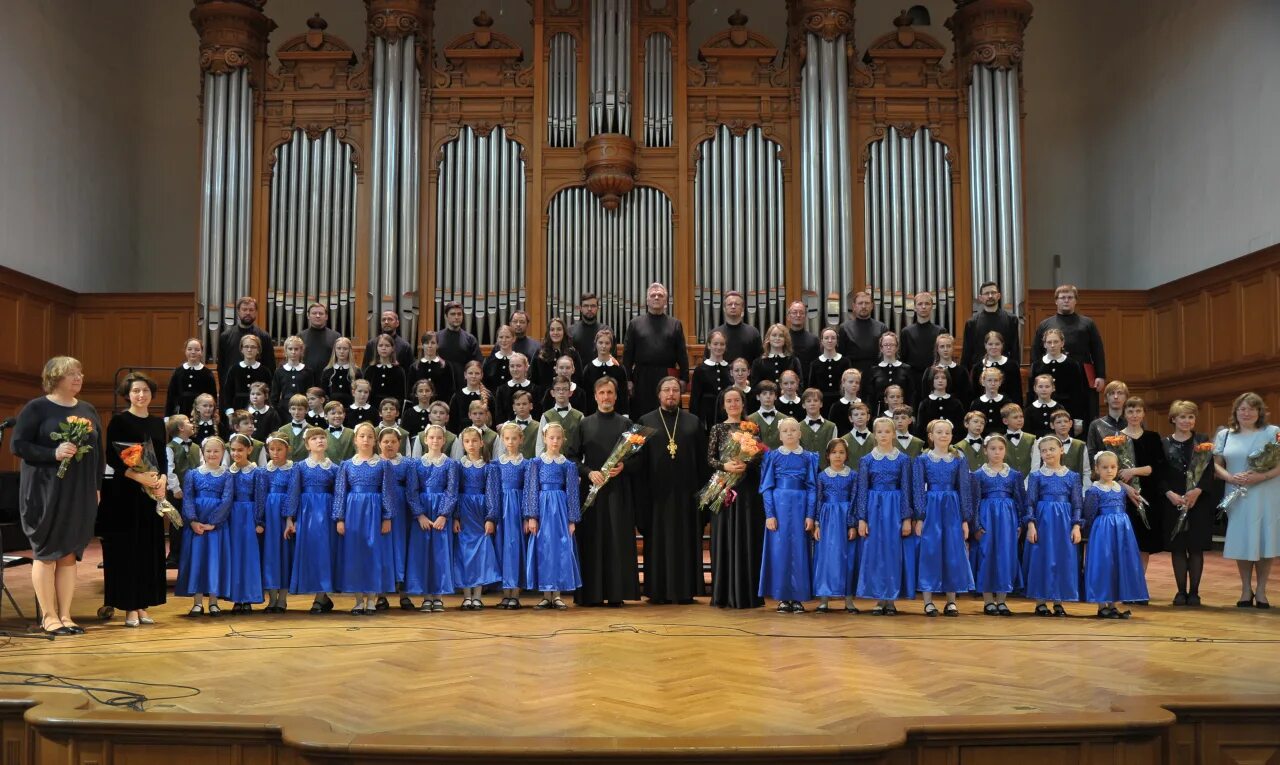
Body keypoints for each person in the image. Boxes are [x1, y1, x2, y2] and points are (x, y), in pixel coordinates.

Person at [11, 357, 104, 636]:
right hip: (44, 490)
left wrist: (96, 487)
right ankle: (49, 616)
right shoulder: (36, 408)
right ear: (55, 378)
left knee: (68, 555)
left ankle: (66, 615)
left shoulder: (88, 409)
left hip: (79, 491)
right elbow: (19, 445)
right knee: (47, 553)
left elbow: (98, 454)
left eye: (80, 373)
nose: (79, 377)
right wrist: (52, 453)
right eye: (72, 374)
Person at [97, 371, 170, 629]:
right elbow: (113, 458)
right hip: (124, 494)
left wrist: (161, 480)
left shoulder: (157, 423)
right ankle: (129, 606)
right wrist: (140, 478)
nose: (141, 395)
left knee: (146, 549)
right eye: (136, 391)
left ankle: (142, 604)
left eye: (145, 391)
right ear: (128, 394)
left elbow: (162, 457)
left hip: (149, 494)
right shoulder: (118, 422)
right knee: (127, 549)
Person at [635, 377, 708, 605]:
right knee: (657, 544)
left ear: (681, 394)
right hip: (656, 496)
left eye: (675, 390)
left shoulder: (693, 422)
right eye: (666, 389)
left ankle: (686, 590)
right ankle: (657, 591)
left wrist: (703, 499)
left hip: (687, 496)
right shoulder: (645, 421)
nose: (671, 394)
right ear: (658, 394)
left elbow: (703, 464)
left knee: (686, 543)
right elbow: (638, 463)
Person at [575, 378, 639, 606]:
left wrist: (624, 467)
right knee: (592, 539)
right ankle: (590, 594)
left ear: (615, 395)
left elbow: (639, 459)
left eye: (610, 392)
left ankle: (615, 593)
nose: (606, 397)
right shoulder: (584, 424)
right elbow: (572, 457)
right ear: (595, 396)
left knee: (615, 539)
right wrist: (588, 472)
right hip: (591, 490)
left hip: (617, 491)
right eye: (601, 392)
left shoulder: (626, 424)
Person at [1214, 392, 1280, 609]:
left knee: (1264, 540)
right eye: (1242, 408)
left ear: (1260, 411)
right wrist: (1230, 477)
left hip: (1266, 493)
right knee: (1243, 540)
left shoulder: (1274, 433)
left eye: (1252, 408)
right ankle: (1245, 588)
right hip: (1237, 494)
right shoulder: (1224, 435)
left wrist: (1261, 476)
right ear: (1236, 412)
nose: (1247, 412)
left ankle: (1261, 590)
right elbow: (1215, 464)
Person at [708, 388, 766, 609]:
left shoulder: (752, 428)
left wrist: (746, 464)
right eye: (728, 401)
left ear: (743, 404)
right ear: (723, 405)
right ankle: (724, 593)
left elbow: (759, 457)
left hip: (747, 491)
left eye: (737, 400)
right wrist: (726, 466)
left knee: (747, 537)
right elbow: (710, 459)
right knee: (725, 537)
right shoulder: (717, 428)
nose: (733, 404)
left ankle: (747, 593)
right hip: (724, 489)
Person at [912, 419, 974, 616]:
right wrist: (920, 517)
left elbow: (964, 488)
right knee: (930, 551)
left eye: (947, 432)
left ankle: (951, 601)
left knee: (953, 552)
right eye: (939, 432)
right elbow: (918, 489)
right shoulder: (922, 459)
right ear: (931, 436)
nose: (943, 436)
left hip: (952, 508)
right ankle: (928, 601)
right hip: (931, 507)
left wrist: (965, 518)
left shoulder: (959, 458)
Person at [333, 422, 395, 615]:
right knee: (355, 555)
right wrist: (340, 518)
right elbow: (341, 493)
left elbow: (387, 492)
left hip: (374, 511)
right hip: (353, 512)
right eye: (362, 436)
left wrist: (387, 517)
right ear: (355, 440)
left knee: (373, 554)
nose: (366, 440)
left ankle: (371, 599)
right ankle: (358, 600)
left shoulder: (383, 464)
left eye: (369, 436)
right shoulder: (346, 465)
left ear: (375, 440)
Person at [854, 417, 913, 615]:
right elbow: (862, 489)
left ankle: (891, 599)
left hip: (894, 508)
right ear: (874, 434)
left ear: (894, 434)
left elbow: (906, 489)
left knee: (892, 552)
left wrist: (906, 518)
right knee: (875, 552)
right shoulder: (866, 460)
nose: (883, 435)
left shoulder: (903, 459)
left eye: (887, 432)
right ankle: (879, 598)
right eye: (879, 432)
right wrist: (861, 518)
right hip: (873, 509)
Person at [1161, 401, 1217, 606]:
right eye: (1182, 417)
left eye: (1190, 417)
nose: (1187, 421)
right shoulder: (1164, 443)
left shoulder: (1202, 441)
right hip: (1173, 501)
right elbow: (1160, 474)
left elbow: (1210, 471)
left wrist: (1197, 491)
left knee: (1195, 548)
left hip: (1198, 502)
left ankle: (1194, 592)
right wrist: (1170, 494)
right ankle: (1180, 592)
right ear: (1173, 419)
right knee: (1177, 548)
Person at [759, 418, 817, 613]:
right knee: (779, 550)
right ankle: (783, 596)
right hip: (779, 506)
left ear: (800, 434)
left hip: (801, 507)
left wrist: (810, 515)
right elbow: (766, 487)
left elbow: (812, 487)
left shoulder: (808, 457)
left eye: (794, 430)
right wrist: (769, 514)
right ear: (780, 435)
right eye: (786, 431)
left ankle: (798, 597)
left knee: (800, 551)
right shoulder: (773, 457)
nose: (790, 433)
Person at [1083, 451, 1149, 618]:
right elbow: (1089, 514)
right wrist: (1091, 533)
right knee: (1104, 564)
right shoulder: (1094, 490)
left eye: (1113, 467)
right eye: (1105, 467)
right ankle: (1101, 605)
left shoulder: (1120, 489)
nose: (1109, 471)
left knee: (1117, 564)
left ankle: (1113, 604)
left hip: (1121, 531)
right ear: (1097, 469)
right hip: (1102, 531)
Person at [1022, 437, 1083, 616]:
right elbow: (1030, 503)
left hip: (1064, 523)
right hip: (1043, 522)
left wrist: (1076, 526)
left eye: (1051, 449)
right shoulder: (1036, 476)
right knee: (1042, 558)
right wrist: (1031, 525)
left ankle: (1058, 600)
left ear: (1061, 450)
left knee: (1063, 559)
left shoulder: (1073, 476)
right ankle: (1040, 601)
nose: (1048, 453)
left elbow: (1077, 503)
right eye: (1044, 450)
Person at [524, 422, 582, 610]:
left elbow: (572, 492)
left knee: (559, 549)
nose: (555, 441)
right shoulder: (536, 463)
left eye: (558, 437)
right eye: (551, 437)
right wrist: (532, 516)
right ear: (545, 438)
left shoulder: (568, 465)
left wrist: (572, 519)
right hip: (542, 509)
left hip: (560, 511)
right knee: (544, 550)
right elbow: (531, 489)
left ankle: (556, 594)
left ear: (563, 439)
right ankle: (545, 594)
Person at [175, 437, 232, 616]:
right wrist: (192, 520)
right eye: (208, 451)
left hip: (216, 526)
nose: (212, 454)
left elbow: (227, 500)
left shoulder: (227, 475)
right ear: (203, 452)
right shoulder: (193, 474)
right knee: (197, 561)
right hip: (196, 526)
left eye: (216, 451)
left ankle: (214, 601)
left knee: (214, 561)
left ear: (223, 453)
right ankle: (197, 602)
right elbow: (188, 498)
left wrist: (213, 523)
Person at [1032, 285, 1106, 422]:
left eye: (1070, 297)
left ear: (1075, 300)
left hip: (1083, 373)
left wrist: (1100, 375)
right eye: (1062, 298)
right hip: (1053, 373)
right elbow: (1036, 352)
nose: (1066, 300)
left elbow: (1097, 349)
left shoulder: (1088, 323)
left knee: (1085, 410)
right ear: (1056, 301)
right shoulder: (1045, 324)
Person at [405, 424, 457, 611]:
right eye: (431, 437)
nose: (435, 441)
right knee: (423, 554)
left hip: (441, 512)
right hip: (423, 511)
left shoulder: (450, 464)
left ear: (444, 440)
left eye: (439, 437)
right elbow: (411, 491)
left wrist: (444, 515)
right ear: (425, 440)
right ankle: (426, 596)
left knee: (440, 554)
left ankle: (438, 596)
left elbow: (452, 491)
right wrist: (419, 515)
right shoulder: (415, 464)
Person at [971, 434, 1024, 616]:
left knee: (1006, 556)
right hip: (987, 517)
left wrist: (1020, 523)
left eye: (1000, 449)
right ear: (985, 451)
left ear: (1005, 451)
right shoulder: (978, 475)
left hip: (1008, 519)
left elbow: (1019, 500)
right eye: (992, 449)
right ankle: (988, 601)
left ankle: (1002, 600)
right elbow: (975, 500)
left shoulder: (1015, 475)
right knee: (987, 555)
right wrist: (976, 524)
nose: (997, 452)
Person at [288, 427, 339, 614]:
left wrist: (338, 517)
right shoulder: (300, 467)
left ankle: (320, 596)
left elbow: (338, 493)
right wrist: (289, 519)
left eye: (322, 437)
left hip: (326, 513)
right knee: (310, 552)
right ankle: (322, 596)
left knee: (324, 553)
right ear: (307, 444)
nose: (319, 441)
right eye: (315, 438)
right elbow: (293, 493)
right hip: (306, 512)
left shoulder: (334, 468)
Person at [1113, 397, 1166, 576]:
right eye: (1130, 411)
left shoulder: (1152, 437)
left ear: (1143, 413)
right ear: (1124, 413)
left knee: (1144, 542)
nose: (1134, 415)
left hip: (1148, 494)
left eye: (1138, 411)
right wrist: (1125, 487)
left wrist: (1133, 471)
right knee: (1127, 541)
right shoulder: (1115, 439)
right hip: (1124, 496)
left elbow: (1157, 467)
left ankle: (1140, 582)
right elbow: (1110, 471)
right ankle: (1128, 583)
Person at [623, 282, 689, 419]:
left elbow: (682, 354)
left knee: (668, 412)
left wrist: (684, 379)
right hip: (642, 377)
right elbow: (627, 355)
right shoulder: (635, 324)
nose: (657, 297)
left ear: (666, 300)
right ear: (647, 300)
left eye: (660, 295)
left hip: (667, 374)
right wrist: (628, 380)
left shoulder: (675, 324)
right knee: (642, 414)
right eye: (653, 295)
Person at [453, 426, 500, 609]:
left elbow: (492, 494)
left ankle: (478, 596)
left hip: (480, 512)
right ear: (462, 444)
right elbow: (454, 491)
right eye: (467, 441)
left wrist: (491, 517)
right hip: (464, 511)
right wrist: (455, 516)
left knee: (481, 553)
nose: (471, 445)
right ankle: (466, 596)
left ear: (481, 442)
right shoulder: (457, 466)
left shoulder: (489, 467)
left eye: (474, 441)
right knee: (464, 552)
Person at [811, 439, 858, 614]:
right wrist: (817, 524)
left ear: (846, 455)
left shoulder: (853, 475)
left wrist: (852, 524)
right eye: (834, 452)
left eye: (841, 452)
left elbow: (855, 499)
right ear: (828, 455)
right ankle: (824, 599)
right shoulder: (822, 476)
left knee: (848, 558)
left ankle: (848, 599)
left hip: (845, 518)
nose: (837, 456)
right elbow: (818, 500)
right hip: (827, 519)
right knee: (825, 558)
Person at [491, 423, 531, 609]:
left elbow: (529, 491)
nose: (510, 442)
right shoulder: (497, 464)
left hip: (517, 508)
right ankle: (505, 593)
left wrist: (526, 516)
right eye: (507, 438)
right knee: (502, 548)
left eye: (514, 438)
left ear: (521, 440)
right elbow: (493, 490)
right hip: (501, 509)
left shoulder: (526, 464)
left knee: (515, 548)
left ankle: (515, 592)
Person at [258, 435, 299, 613]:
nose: (275, 453)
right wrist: (259, 520)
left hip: (283, 516)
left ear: (287, 449)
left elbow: (293, 493)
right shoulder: (263, 471)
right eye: (272, 449)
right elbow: (260, 496)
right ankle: (272, 598)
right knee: (269, 555)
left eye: (279, 449)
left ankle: (282, 598)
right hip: (269, 515)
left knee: (284, 555)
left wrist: (290, 517)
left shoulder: (293, 469)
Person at [224, 433, 264, 614]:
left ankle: (248, 597)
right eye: (233, 450)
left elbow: (260, 498)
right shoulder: (227, 472)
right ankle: (235, 597)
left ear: (249, 450)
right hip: (232, 516)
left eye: (240, 450)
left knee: (248, 557)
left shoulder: (257, 472)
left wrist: (259, 520)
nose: (236, 453)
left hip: (249, 515)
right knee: (234, 556)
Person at [1029, 328, 1088, 434]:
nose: (1052, 345)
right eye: (1049, 342)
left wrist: (1078, 420)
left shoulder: (1072, 365)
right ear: (1044, 344)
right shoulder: (1037, 365)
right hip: (1040, 414)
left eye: (1056, 342)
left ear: (1062, 343)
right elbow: (1031, 392)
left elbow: (1078, 393)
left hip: (1066, 413)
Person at [960, 281, 1020, 373]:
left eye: (993, 293)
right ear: (980, 298)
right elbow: (967, 353)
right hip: (980, 371)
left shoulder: (1011, 319)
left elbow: (1015, 350)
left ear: (999, 296)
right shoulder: (972, 323)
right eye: (986, 293)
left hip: (1005, 371)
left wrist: (1015, 369)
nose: (990, 296)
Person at [217, 296, 275, 383]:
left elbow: (270, 366)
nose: (248, 313)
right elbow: (222, 367)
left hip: (257, 388)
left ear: (256, 312)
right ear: (238, 311)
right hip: (234, 387)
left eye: (251, 310)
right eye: (244, 309)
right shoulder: (226, 336)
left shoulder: (264, 336)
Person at [220, 334, 273, 421]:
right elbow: (227, 393)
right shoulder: (234, 369)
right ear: (241, 349)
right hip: (237, 410)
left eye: (253, 347)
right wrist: (230, 413)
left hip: (258, 409)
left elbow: (269, 394)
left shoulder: (264, 371)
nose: (249, 350)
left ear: (258, 350)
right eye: (246, 347)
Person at [837, 291, 888, 378]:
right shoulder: (844, 328)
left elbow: (885, 355)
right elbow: (841, 356)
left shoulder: (882, 327)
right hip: (852, 376)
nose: (863, 306)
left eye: (867, 303)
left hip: (876, 374)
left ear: (872, 306)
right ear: (854, 306)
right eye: (860, 303)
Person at [165, 338, 218, 420]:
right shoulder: (178, 371)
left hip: (201, 413)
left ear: (202, 352)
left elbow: (213, 396)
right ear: (185, 351)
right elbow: (171, 395)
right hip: (181, 411)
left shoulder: (207, 373)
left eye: (197, 350)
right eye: (190, 349)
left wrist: (213, 414)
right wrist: (168, 416)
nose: (193, 352)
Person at [690, 330, 732, 432]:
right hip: (707, 414)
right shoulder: (700, 370)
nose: (719, 347)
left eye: (722, 344)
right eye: (715, 344)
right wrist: (695, 420)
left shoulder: (729, 368)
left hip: (726, 412)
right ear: (709, 345)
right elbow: (695, 398)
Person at [437, 301, 484, 388]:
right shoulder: (437, 337)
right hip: (440, 384)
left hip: (463, 385)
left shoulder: (470, 339)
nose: (456, 317)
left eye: (459, 314)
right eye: (453, 314)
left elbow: (477, 364)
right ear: (446, 316)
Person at [969, 330, 1022, 405]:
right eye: (990, 344)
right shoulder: (978, 367)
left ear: (1002, 345)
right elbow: (975, 393)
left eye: (997, 344)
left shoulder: (1012, 366)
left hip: (1007, 408)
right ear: (985, 345)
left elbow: (1017, 392)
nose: (994, 347)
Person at [711, 291, 763, 366]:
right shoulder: (715, 333)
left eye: (737, 304)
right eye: (729, 304)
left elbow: (759, 362)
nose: (733, 306)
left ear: (742, 308)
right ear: (724, 309)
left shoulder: (753, 333)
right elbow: (708, 361)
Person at [270, 336, 317, 417]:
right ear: (285, 351)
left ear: (301, 351)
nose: (293, 352)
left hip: (302, 409)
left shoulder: (307, 371)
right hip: (284, 411)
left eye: (296, 349)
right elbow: (274, 395)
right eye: (290, 349)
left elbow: (310, 394)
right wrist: (275, 411)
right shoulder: (279, 371)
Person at [900, 292, 944, 375]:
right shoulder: (906, 332)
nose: (923, 307)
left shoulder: (940, 331)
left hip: (934, 375)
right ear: (915, 308)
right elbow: (903, 359)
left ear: (932, 307)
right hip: (912, 376)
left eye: (927, 304)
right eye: (920, 304)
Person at [808, 327, 849, 414]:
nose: (830, 341)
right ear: (822, 341)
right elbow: (812, 387)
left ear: (837, 341)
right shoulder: (815, 363)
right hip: (821, 404)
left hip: (841, 402)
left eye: (833, 338)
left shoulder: (845, 362)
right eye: (826, 338)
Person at [408, 332, 454, 407]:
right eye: (426, 343)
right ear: (422, 345)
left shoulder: (446, 366)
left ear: (437, 345)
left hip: (439, 408)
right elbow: (411, 391)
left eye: (433, 343)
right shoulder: (415, 367)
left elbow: (450, 390)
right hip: (419, 407)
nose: (430, 346)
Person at [534, 317, 582, 387]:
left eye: (559, 329)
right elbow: (534, 379)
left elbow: (579, 378)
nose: (555, 333)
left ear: (564, 332)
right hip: (544, 396)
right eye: (552, 330)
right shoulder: (540, 352)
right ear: (548, 332)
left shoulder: (573, 353)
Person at [364, 333, 408, 410]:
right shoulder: (370, 370)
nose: (383, 348)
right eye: (380, 345)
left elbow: (401, 396)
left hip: (391, 409)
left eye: (387, 346)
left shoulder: (399, 371)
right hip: (373, 408)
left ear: (392, 349)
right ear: (376, 349)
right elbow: (366, 392)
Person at [569, 292, 615, 364]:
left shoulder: (606, 330)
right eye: (586, 306)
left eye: (593, 306)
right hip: (577, 373)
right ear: (580, 308)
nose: (589, 309)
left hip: (600, 373)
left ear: (597, 308)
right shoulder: (571, 331)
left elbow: (612, 357)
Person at [1087, 381, 1128, 458]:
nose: (1116, 396)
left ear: (1126, 398)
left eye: (1120, 393)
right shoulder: (1095, 425)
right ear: (1105, 398)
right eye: (1112, 393)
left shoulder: (1132, 423)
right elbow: (1091, 453)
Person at [300, 303, 341, 372]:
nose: (318, 316)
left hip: (329, 377)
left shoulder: (336, 336)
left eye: (321, 313)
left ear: (326, 317)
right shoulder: (300, 336)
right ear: (308, 316)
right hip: (306, 378)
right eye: (314, 313)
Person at [785, 300, 821, 371]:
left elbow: (817, 365)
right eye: (795, 312)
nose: (798, 315)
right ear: (788, 316)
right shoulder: (783, 338)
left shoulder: (814, 340)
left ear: (805, 316)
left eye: (801, 313)